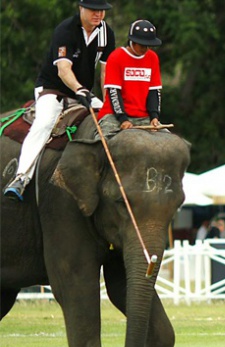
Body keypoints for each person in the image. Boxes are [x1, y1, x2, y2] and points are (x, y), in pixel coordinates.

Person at [3, 0, 115, 201]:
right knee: (44, 124)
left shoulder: (107, 33)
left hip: (82, 93)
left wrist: (108, 104)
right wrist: (80, 89)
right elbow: (64, 70)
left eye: (102, 11)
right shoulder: (66, 30)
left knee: (114, 120)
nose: (98, 14)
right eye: (93, 10)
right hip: (51, 89)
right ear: (81, 8)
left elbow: (106, 73)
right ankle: (20, 178)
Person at [97, 19, 163, 139]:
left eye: (148, 45)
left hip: (143, 117)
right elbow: (113, 92)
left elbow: (154, 91)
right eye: (142, 45)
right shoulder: (116, 57)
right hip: (113, 116)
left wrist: (154, 117)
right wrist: (123, 119)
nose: (145, 49)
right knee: (102, 142)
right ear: (132, 41)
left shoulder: (152, 58)